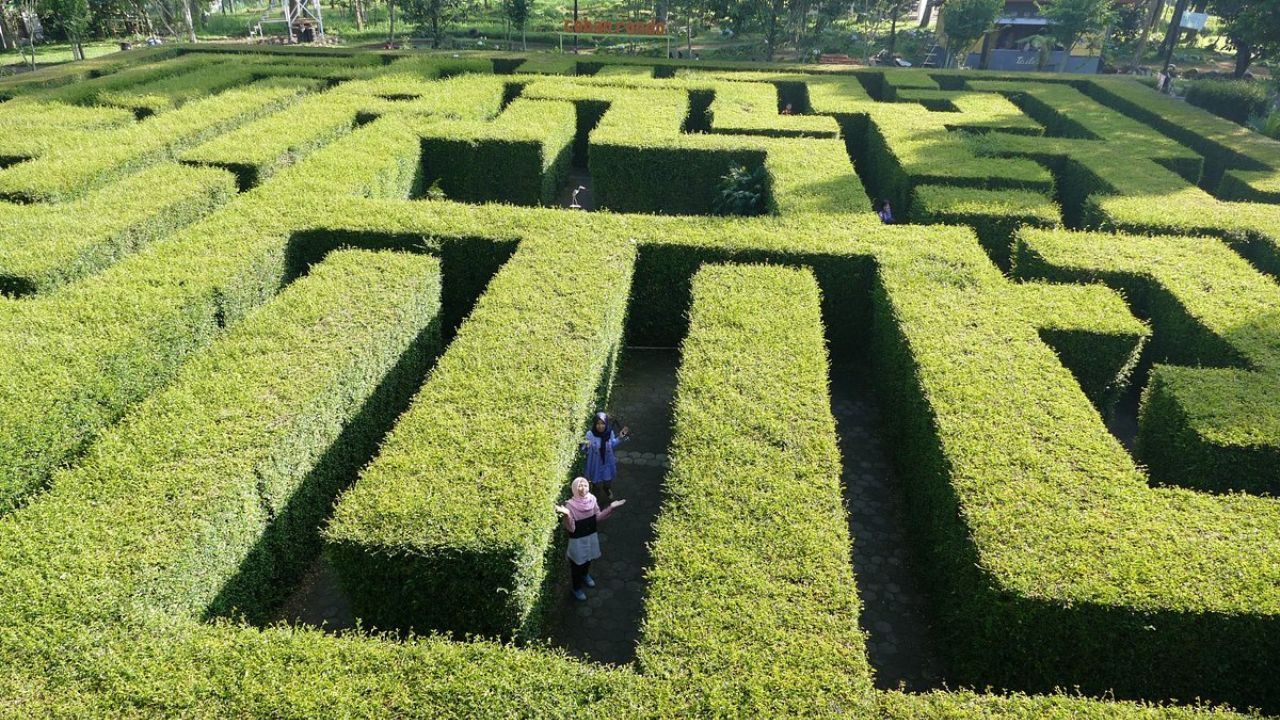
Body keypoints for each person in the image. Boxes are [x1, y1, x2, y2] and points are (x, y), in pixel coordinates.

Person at [555, 477, 626, 601]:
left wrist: (611, 507)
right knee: (577, 565)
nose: (583, 488)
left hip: (590, 536)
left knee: (588, 558)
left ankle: (585, 574)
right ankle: (576, 588)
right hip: (577, 540)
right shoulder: (570, 505)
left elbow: (597, 518)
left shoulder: (592, 499)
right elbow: (571, 529)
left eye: (585, 485)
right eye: (579, 486)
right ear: (574, 489)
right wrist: (567, 515)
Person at [581, 411, 628, 503]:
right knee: (596, 482)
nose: (600, 426)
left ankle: (606, 489)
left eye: (602, 423)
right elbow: (584, 449)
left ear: (606, 423)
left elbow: (612, 445)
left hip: (607, 463)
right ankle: (594, 497)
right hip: (595, 463)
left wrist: (620, 438)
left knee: (607, 480)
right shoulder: (590, 435)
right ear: (595, 424)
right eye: (598, 423)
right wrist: (585, 446)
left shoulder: (609, 433)